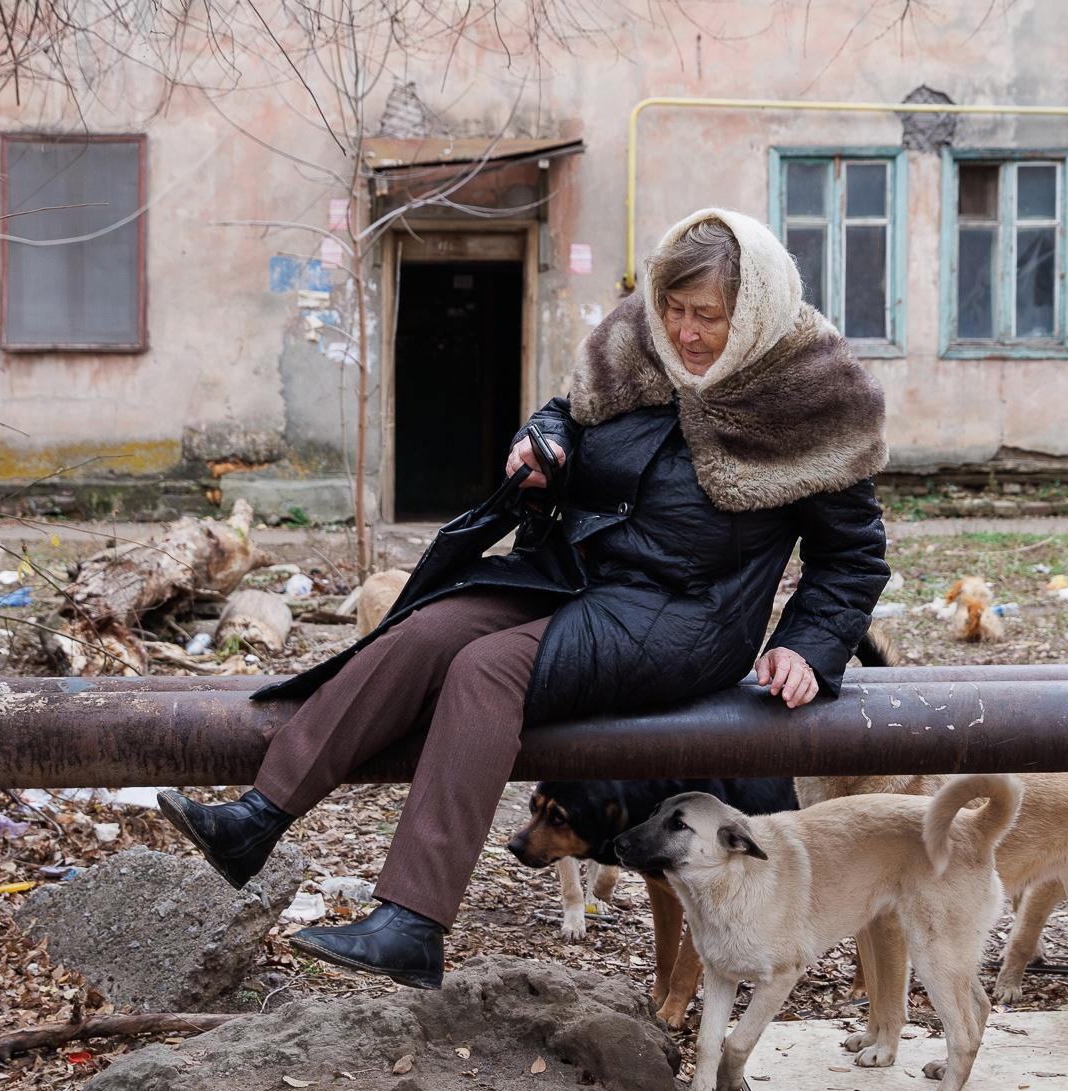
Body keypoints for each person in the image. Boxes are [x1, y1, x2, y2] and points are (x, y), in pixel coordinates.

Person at [159, 208, 891, 990]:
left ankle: (412, 920)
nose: (684, 333)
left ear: (753, 313)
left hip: (688, 620)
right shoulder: (634, 341)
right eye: (672, 309)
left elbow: (853, 556)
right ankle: (257, 819)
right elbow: (566, 412)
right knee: (421, 630)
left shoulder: (814, 396)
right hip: (576, 573)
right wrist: (541, 444)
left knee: (486, 670)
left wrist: (807, 645)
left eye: (706, 316)